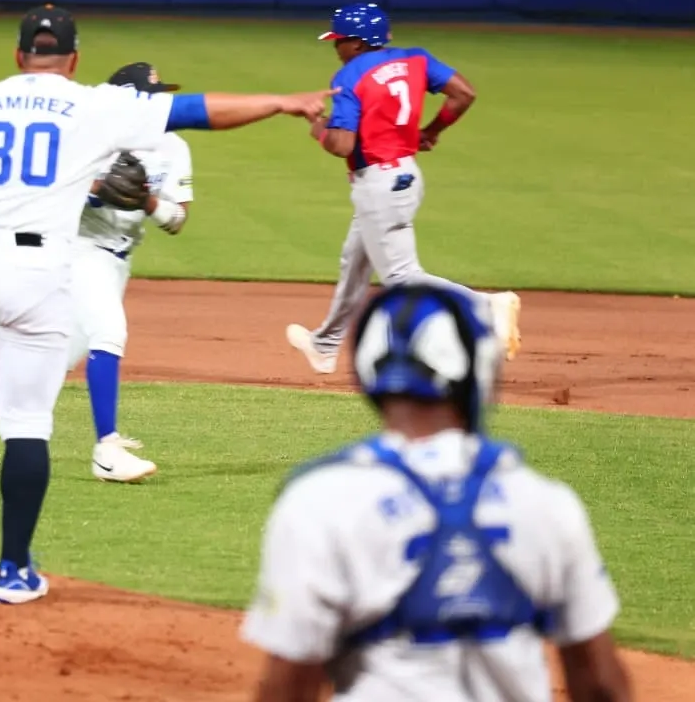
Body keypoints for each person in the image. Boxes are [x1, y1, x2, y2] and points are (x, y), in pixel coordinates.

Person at [0, 4, 333, 604]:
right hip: (38, 271)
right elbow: (197, 111)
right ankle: (12, 571)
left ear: (17, 56)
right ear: (75, 59)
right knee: (28, 425)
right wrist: (283, 101)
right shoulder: (94, 104)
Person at [243, 282, 632, 702]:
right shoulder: (547, 504)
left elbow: (289, 686)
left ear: (369, 373)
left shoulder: (319, 502)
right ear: (476, 371)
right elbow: (600, 684)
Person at [0, 60, 194, 484]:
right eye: (148, 96)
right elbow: (43, 190)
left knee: (58, 357)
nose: (157, 104)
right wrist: (99, 192)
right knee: (109, 332)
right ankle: (108, 449)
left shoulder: (174, 147)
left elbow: (178, 220)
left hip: (118, 261)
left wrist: (149, 203)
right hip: (76, 249)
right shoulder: (89, 135)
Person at [285, 3, 521, 376]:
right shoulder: (417, 59)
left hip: (379, 183)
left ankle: (487, 306)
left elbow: (342, 145)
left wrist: (317, 127)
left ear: (359, 44)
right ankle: (325, 345)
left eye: (340, 41)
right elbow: (464, 94)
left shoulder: (350, 76)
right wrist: (431, 131)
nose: (336, 48)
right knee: (355, 261)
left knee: (400, 276)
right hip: (404, 174)